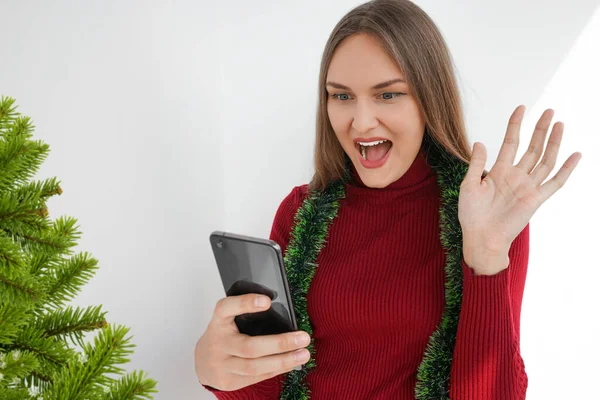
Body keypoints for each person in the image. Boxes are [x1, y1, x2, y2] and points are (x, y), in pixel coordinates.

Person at [194, 0, 582, 399]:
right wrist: (218, 370)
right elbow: (274, 385)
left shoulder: (489, 208)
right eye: (341, 97)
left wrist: (486, 258)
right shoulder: (300, 211)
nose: (360, 122)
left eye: (388, 95)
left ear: (429, 99)